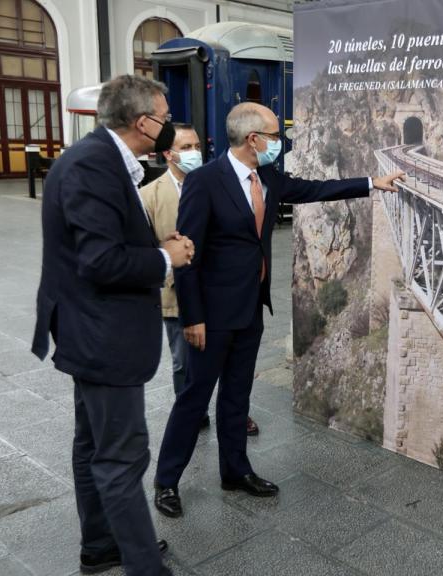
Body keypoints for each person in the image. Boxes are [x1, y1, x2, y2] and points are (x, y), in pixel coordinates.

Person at [153, 102, 406, 517]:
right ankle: (167, 481)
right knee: (194, 398)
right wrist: (192, 316)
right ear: (254, 139)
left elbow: (312, 189)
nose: (279, 142)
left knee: (237, 395)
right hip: (212, 316)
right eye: (274, 135)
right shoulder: (204, 182)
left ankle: (235, 469)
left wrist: (372, 183)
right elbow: (187, 256)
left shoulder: (267, 175)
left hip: (250, 307)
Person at [31, 74, 195, 576]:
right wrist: (165, 258)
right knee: (122, 458)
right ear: (143, 122)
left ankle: (100, 545)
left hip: (91, 329)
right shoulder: (92, 166)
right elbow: (100, 261)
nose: (168, 129)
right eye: (165, 120)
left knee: (93, 444)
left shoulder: (99, 159)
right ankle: (144, 567)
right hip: (103, 334)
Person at [139, 124, 261, 436]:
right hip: (176, 295)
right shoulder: (148, 197)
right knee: (185, 365)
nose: (196, 152)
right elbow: (144, 251)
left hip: (216, 296)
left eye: (197, 145)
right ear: (169, 154)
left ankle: (234, 414)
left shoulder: (214, 181)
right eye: (188, 147)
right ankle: (193, 412)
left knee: (227, 363)